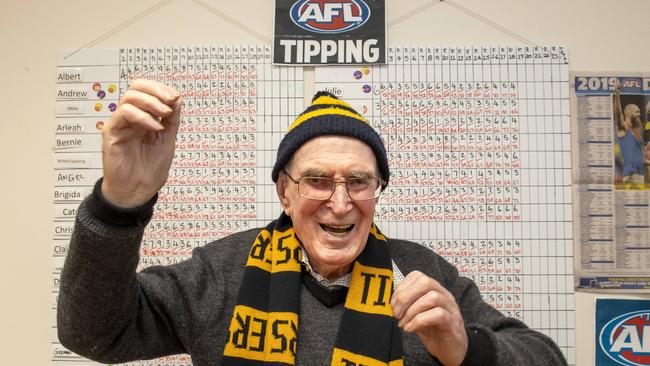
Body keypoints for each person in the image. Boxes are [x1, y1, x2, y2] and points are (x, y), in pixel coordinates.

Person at [57, 79, 567, 365]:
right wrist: (119, 203)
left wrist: (467, 350)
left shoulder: (417, 272)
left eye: (360, 182)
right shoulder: (221, 272)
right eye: (318, 180)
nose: (341, 203)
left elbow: (546, 359)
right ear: (285, 190)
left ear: (377, 190)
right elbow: (96, 333)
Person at [614, 83, 645, 185]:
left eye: (640, 112)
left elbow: (640, 155)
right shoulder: (623, 128)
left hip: (641, 175)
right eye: (637, 112)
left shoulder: (638, 131)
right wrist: (617, 93)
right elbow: (618, 113)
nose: (639, 115)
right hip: (629, 175)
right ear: (628, 113)